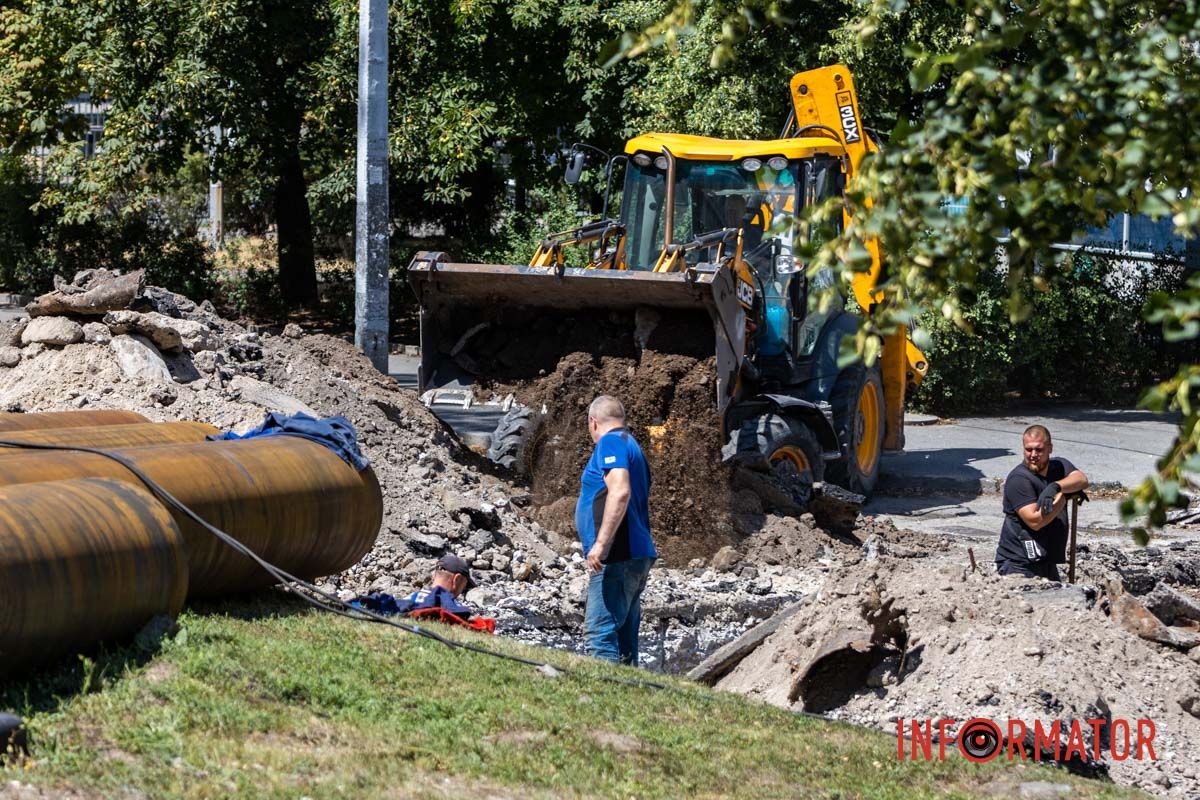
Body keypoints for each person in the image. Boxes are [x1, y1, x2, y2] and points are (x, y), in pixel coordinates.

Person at [575, 395, 657, 665]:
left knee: (600, 633)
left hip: (618, 555)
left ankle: (603, 700)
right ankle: (629, 700)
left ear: (593, 422)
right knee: (623, 640)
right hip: (635, 553)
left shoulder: (610, 442)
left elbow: (620, 491)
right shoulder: (632, 446)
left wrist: (600, 544)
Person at [996, 425, 1089, 580]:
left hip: (1045, 561)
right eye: (1028, 449)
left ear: (1050, 448)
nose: (1033, 455)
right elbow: (1035, 521)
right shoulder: (1019, 479)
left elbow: (1081, 479)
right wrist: (1064, 495)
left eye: (1039, 450)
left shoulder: (1058, 466)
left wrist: (1056, 486)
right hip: (1019, 564)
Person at [352, 553, 477, 619]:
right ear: (457, 579)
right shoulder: (454, 608)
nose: (462, 591)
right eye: (464, 586)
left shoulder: (411, 598)